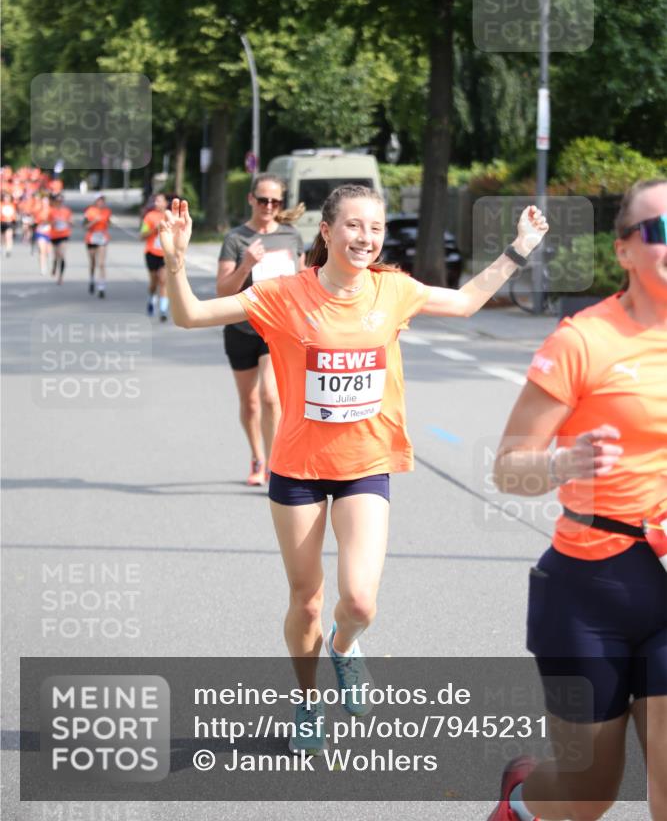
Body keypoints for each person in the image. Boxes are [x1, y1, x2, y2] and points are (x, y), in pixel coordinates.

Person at [159, 185, 548, 755]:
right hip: (297, 468)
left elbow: (465, 302)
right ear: (326, 230)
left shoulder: (392, 291)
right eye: (353, 226)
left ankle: (345, 647)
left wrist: (518, 249)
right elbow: (188, 315)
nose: (365, 238)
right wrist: (173, 260)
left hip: (365, 463)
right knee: (307, 599)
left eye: (375, 228)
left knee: (360, 602)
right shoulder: (282, 294)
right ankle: (308, 701)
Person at [488, 178, 667, 821]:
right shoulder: (584, 341)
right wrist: (563, 461)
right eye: (660, 230)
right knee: (589, 793)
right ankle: (523, 798)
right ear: (624, 250)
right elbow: (509, 469)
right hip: (595, 586)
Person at [216, 173, 305, 486]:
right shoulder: (236, 239)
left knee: (270, 397)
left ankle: (273, 464)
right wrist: (246, 265)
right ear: (251, 199)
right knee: (250, 402)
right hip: (241, 328)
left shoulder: (291, 237)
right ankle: (257, 456)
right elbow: (223, 291)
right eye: (264, 199)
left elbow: (303, 279)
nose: (269, 206)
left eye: (276, 201)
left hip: (276, 331)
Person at [140, 192, 168, 320]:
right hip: (151, 252)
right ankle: (151, 298)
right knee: (153, 281)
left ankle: (163, 310)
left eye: (160, 201)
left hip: (165, 254)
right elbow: (142, 236)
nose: (157, 203)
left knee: (163, 280)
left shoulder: (170, 217)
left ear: (166, 203)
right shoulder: (149, 217)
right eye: (156, 201)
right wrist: (154, 230)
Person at [83, 193, 113, 297]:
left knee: (101, 263)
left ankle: (102, 287)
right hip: (91, 238)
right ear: (95, 201)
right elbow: (85, 226)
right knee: (93, 262)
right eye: (99, 200)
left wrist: (108, 224)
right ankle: (91, 280)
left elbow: (109, 223)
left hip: (102, 237)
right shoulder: (89, 211)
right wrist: (94, 221)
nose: (101, 202)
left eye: (103, 200)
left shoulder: (107, 211)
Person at [48, 193, 72, 284]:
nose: (59, 203)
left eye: (61, 201)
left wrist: (67, 222)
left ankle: (60, 277)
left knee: (62, 255)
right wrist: (53, 222)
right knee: (56, 255)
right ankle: (54, 265)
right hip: (54, 235)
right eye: (57, 201)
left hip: (64, 235)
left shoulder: (67, 211)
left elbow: (71, 222)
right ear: (55, 202)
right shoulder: (52, 211)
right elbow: (48, 222)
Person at [1, 192, 17, 257]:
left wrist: (14, 220)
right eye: (5, 197)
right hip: (2, 222)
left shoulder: (12, 205)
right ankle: (3, 248)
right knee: (3, 237)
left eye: (8, 197)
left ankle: (8, 250)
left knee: (9, 236)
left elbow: (14, 214)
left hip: (10, 222)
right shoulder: (1, 204)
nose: (6, 199)